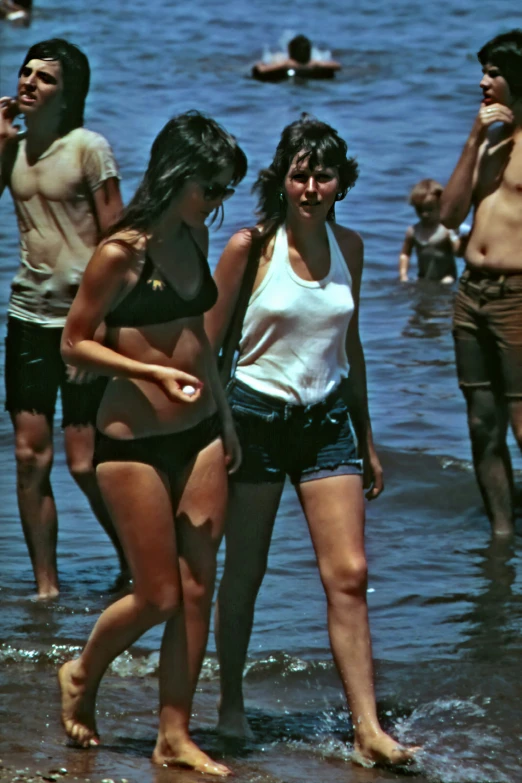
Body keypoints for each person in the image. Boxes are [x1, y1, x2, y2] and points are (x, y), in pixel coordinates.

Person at [206, 116, 418, 768]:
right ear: (282, 178)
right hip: (255, 420)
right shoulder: (251, 246)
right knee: (244, 572)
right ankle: (232, 705)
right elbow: (208, 345)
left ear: (339, 182)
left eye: (322, 174)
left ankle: (368, 727)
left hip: (328, 421)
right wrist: (221, 429)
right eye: (299, 173)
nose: (310, 186)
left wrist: (370, 438)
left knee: (350, 575)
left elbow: (348, 347)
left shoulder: (349, 246)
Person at [58, 110, 247, 776]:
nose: (218, 202)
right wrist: (151, 371)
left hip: (198, 436)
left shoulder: (193, 235)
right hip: (131, 442)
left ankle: (174, 732)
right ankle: (82, 670)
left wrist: (224, 418)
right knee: (158, 593)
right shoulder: (121, 252)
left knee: (199, 588)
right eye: (212, 188)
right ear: (178, 176)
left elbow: (200, 334)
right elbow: (74, 340)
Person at [0, 38, 126, 599]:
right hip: (28, 317)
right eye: (25, 73)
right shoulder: (14, 148)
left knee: (84, 462)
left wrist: (99, 327)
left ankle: (135, 562)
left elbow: (120, 243)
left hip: (82, 323)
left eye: (44, 78)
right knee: (30, 457)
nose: (28, 83)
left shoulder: (88, 148)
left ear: (67, 93)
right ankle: (46, 589)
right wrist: (2, 143)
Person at [440, 29, 522, 538]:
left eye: (494, 73)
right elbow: (449, 215)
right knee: (481, 423)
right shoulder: (489, 145)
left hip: (518, 297)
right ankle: (502, 536)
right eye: (484, 71)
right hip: (471, 295)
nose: (483, 82)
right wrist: (474, 139)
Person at [399, 178, 459, 283]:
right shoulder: (413, 231)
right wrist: (403, 275)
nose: (424, 214)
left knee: (447, 282)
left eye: (430, 209)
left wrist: (454, 236)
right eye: (420, 209)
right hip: (423, 277)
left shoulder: (445, 229)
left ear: (440, 205)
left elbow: (458, 252)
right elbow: (405, 254)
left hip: (446, 277)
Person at [252, 34, 341, 82]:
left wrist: (317, 63)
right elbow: (260, 69)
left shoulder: (313, 63)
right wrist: (285, 64)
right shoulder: (283, 62)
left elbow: (337, 65)